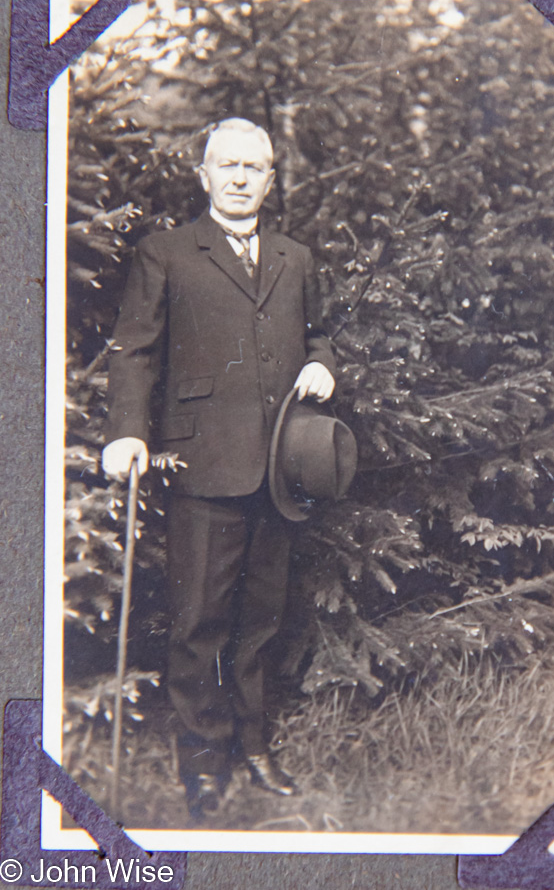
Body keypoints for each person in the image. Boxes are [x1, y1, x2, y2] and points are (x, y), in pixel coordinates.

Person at [102, 118, 336, 816]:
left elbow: (319, 333)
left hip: (278, 465)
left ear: (271, 180)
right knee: (199, 618)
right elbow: (135, 350)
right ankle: (203, 761)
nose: (239, 178)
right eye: (226, 165)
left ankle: (254, 746)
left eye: (253, 167)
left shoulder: (295, 257)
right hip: (201, 463)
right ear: (203, 175)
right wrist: (125, 433)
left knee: (262, 620)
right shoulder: (166, 253)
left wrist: (324, 362)